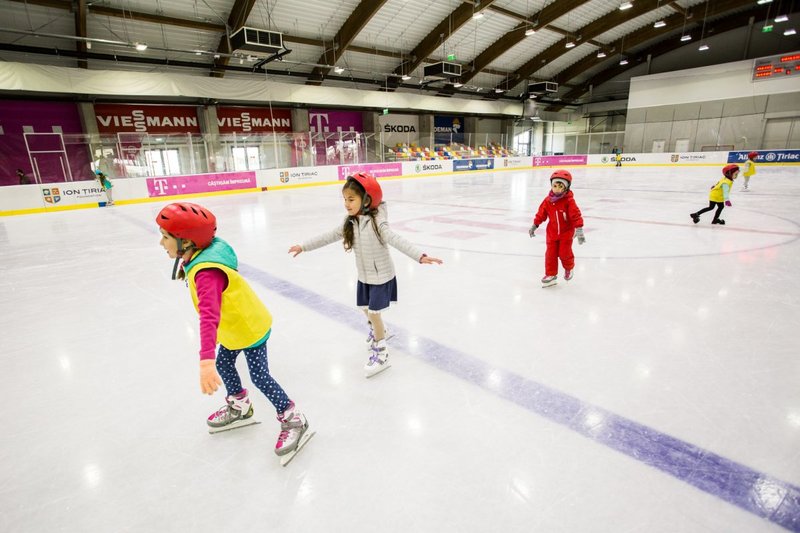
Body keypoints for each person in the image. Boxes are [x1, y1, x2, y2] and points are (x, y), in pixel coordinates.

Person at [156, 202, 309, 458]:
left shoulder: (206, 273)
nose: (161, 243)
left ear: (187, 241)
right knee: (225, 365)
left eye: (165, 237)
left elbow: (208, 316)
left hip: (249, 328)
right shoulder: (199, 255)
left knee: (260, 376)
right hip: (233, 329)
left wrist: (205, 360)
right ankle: (240, 406)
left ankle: (294, 418)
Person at [288, 172, 443, 378]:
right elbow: (329, 236)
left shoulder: (378, 222)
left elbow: (395, 238)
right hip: (364, 276)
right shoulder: (350, 222)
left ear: (367, 199)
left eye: (351, 199)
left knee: (374, 313)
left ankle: (382, 352)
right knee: (364, 309)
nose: (346, 204)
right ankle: (381, 331)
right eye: (344, 199)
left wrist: (419, 256)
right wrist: (304, 246)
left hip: (381, 276)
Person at [528, 169, 585, 288]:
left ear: (566, 188)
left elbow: (575, 215)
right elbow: (541, 213)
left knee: (564, 253)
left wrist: (579, 230)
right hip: (552, 233)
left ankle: (569, 267)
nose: (557, 189)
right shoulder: (548, 201)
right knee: (550, 255)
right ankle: (551, 275)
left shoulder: (569, 201)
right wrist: (535, 225)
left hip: (566, 233)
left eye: (560, 186)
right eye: (554, 186)